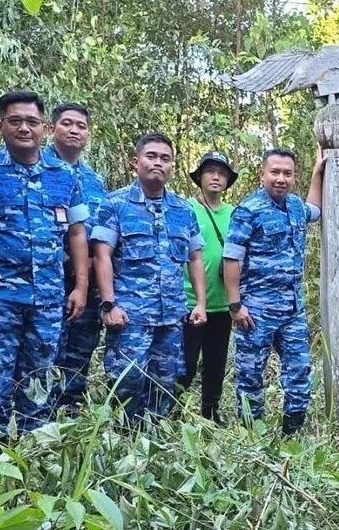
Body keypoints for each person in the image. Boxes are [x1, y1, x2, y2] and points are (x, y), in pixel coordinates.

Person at [0, 90, 90, 434]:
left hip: (49, 300)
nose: (24, 128)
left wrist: (80, 287)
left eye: (32, 121)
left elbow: (77, 235)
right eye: (15, 120)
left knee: (42, 376)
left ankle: (36, 448)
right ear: (0, 125)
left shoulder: (64, 175)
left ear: (45, 128)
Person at [91, 133, 207, 419]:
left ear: (172, 166)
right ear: (136, 162)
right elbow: (101, 255)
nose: (158, 163)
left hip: (171, 318)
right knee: (127, 381)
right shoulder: (115, 204)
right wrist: (108, 304)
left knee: (165, 382)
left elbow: (194, 257)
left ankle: (152, 445)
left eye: (165, 159)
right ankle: (122, 442)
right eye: (151, 156)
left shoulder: (183, 210)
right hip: (130, 317)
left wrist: (201, 303)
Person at [223, 147, 324, 434]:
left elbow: (314, 210)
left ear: (294, 177)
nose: (281, 178)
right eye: (275, 172)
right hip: (256, 310)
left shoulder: (294, 206)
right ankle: (251, 438)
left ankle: (292, 435)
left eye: (287, 173)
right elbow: (232, 258)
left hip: (292, 311)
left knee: (299, 372)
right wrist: (235, 305)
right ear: (262, 174)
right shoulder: (248, 210)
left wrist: (317, 172)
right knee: (250, 376)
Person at [47, 103, 108, 410]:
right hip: (49, 279)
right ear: (51, 128)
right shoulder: (38, 167)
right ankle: (39, 414)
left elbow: (102, 230)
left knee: (82, 347)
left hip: (90, 281)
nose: (74, 130)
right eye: (67, 123)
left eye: (81, 126)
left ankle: (70, 410)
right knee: (46, 348)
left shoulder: (95, 180)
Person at [178, 151, 239, 423]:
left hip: (223, 304)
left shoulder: (235, 214)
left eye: (222, 173)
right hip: (190, 302)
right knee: (185, 364)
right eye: (210, 171)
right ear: (200, 177)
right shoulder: (185, 208)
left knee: (216, 365)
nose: (216, 177)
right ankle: (173, 413)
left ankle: (211, 415)